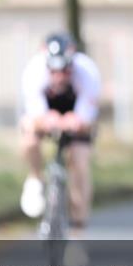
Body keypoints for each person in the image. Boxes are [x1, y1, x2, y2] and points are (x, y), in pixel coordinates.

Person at [19, 32, 102, 232]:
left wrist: (76, 121)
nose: (59, 75)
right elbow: (35, 115)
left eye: (65, 70)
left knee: (79, 162)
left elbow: (86, 118)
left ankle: (78, 230)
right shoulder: (33, 71)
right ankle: (35, 178)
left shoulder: (87, 72)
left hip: (76, 111)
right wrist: (48, 119)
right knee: (29, 134)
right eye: (53, 70)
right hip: (47, 111)